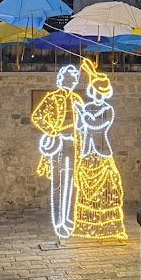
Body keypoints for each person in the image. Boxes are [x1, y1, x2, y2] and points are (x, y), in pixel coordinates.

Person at [72, 59, 126, 240]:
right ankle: (87, 224)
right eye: (96, 91)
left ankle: (110, 224)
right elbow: (81, 127)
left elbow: (98, 125)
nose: (98, 96)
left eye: (101, 92)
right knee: (86, 190)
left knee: (109, 188)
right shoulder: (86, 107)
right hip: (87, 152)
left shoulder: (108, 109)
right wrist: (79, 115)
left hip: (102, 152)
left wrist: (82, 113)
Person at [31, 64, 83, 239]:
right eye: (69, 78)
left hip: (73, 144)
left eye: (74, 79)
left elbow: (83, 122)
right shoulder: (52, 98)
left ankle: (67, 218)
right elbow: (37, 116)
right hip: (57, 143)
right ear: (62, 79)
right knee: (57, 182)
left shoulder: (77, 99)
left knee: (71, 183)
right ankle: (58, 220)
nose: (72, 82)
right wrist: (52, 130)